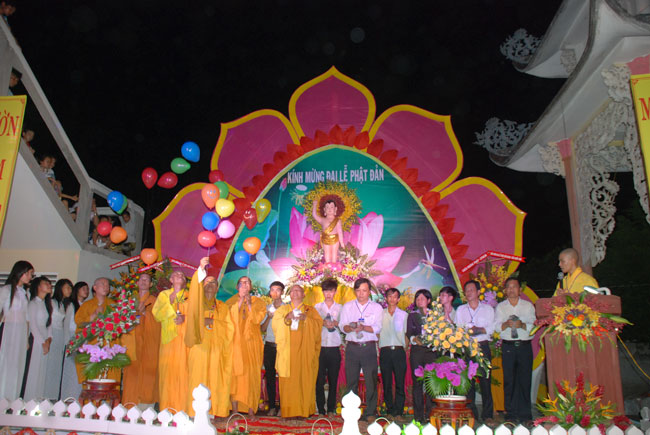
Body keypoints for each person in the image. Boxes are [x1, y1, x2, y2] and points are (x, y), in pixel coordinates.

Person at [185, 257, 234, 417]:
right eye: (208, 281)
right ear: (202, 285)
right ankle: (193, 412)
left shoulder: (222, 306)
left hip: (216, 348)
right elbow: (192, 316)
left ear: (217, 288)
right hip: (199, 346)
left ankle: (212, 411)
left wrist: (213, 322)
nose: (211, 284)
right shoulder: (196, 302)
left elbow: (229, 327)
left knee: (215, 378)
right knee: (197, 377)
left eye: (214, 283)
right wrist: (201, 269)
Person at [272, 284, 322, 418]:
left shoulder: (310, 310)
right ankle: (288, 411)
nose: (295, 292)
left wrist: (306, 319)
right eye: (292, 290)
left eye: (298, 290)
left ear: (303, 294)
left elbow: (318, 326)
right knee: (288, 383)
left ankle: (304, 411)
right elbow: (275, 325)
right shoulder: (282, 310)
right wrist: (286, 318)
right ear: (289, 295)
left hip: (305, 353)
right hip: (288, 353)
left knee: (305, 380)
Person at [339, 277, 383, 422]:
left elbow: (378, 328)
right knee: (351, 380)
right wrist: (350, 327)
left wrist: (364, 327)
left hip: (368, 347)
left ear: (369, 291)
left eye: (364, 291)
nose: (361, 294)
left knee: (371, 380)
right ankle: (351, 411)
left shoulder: (376, 308)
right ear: (354, 292)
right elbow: (342, 326)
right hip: (352, 347)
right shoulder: (348, 306)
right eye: (358, 291)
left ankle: (370, 412)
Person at [494, 277, 535, 424]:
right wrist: (506, 324)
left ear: (520, 290)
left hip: (524, 346)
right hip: (508, 347)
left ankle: (526, 415)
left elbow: (533, 326)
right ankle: (510, 415)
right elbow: (496, 326)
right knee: (509, 381)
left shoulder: (528, 306)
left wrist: (522, 325)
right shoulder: (500, 307)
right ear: (505, 290)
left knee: (525, 381)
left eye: (514, 287)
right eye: (509, 287)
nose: (511, 290)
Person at [225, 276, 266, 416]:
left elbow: (257, 319)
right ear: (237, 287)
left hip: (252, 343)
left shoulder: (258, 302)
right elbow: (228, 319)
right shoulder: (230, 301)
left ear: (251, 286)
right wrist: (240, 300)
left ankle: (251, 410)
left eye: (247, 282)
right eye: (241, 283)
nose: (244, 285)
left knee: (252, 375)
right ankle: (235, 410)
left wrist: (249, 304)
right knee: (236, 375)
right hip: (235, 342)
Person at [455, 280, 495, 422]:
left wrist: (479, 330)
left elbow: (492, 328)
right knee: (468, 382)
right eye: (466, 290)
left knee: (485, 381)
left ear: (478, 292)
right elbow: (458, 329)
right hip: (467, 347)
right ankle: (471, 414)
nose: (469, 292)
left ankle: (488, 415)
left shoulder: (488, 309)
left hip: (482, 346)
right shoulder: (461, 310)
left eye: (472, 290)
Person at [153, 270, 190, 412]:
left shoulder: (189, 295)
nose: (179, 276)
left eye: (182, 275)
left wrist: (184, 318)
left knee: (184, 371)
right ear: (171, 280)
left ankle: (183, 409)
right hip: (168, 338)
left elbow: (196, 314)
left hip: (184, 339)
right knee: (167, 372)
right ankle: (166, 408)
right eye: (176, 275)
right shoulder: (164, 295)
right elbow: (156, 314)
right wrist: (171, 302)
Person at [122, 273, 161, 407]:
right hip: (132, 344)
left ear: (150, 284)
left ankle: (145, 407)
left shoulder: (155, 301)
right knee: (131, 375)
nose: (143, 282)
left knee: (148, 375)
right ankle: (128, 406)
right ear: (137, 283)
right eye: (141, 280)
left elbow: (159, 322)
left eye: (147, 280)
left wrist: (145, 313)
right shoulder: (129, 301)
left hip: (148, 344)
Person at [0, 260, 34, 400]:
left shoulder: (26, 293)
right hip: (8, 330)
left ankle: (12, 399)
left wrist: (26, 339)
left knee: (17, 365)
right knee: (6, 363)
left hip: (20, 332)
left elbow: (27, 317)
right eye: (29, 273)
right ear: (21, 273)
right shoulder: (6, 290)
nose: (30, 277)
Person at [74, 278, 117, 383]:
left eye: (107, 285)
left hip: (108, 345)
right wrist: (93, 315)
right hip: (91, 345)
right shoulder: (87, 305)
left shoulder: (113, 304)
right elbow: (79, 322)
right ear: (95, 288)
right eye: (103, 284)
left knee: (109, 378)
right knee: (91, 379)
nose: (106, 287)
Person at [406, 289, 436, 424]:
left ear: (428, 300)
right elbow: (409, 332)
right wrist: (414, 339)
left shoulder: (435, 314)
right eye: (417, 299)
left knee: (430, 382)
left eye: (422, 299)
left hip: (431, 352)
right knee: (417, 383)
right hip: (417, 351)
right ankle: (418, 415)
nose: (419, 301)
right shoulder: (412, 315)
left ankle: (430, 413)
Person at [314, 278, 342, 417]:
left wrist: (336, 324)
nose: (328, 294)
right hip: (320, 348)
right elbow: (312, 326)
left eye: (331, 290)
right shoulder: (317, 307)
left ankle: (331, 409)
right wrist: (322, 323)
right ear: (322, 292)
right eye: (326, 291)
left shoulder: (340, 308)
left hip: (334, 347)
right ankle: (320, 409)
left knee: (333, 379)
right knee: (319, 380)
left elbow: (345, 326)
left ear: (335, 291)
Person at [378, 287, 408, 418]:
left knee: (400, 383)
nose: (392, 299)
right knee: (387, 382)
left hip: (399, 351)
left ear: (398, 299)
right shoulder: (380, 314)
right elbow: (377, 332)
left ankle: (399, 411)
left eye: (395, 296)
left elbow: (406, 334)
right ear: (386, 298)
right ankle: (390, 410)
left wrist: (405, 348)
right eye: (389, 296)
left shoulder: (404, 315)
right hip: (385, 351)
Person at [24, 276, 53, 401]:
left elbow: (49, 324)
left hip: (44, 338)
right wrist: (42, 342)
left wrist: (49, 340)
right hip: (36, 339)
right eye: (45, 283)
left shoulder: (46, 304)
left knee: (42, 370)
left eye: (49, 283)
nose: (49, 285)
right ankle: (28, 399)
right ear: (38, 287)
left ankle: (38, 400)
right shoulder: (33, 303)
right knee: (33, 369)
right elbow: (33, 325)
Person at [44, 279, 73, 400]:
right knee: (49, 365)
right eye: (67, 287)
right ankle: (45, 395)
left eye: (71, 288)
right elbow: (48, 321)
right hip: (52, 334)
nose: (70, 290)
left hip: (60, 335)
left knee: (56, 367)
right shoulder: (52, 302)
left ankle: (53, 396)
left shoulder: (64, 304)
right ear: (60, 288)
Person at [60, 281, 89, 400]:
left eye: (87, 289)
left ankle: (78, 398)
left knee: (80, 371)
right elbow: (66, 325)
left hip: (83, 340)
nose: (86, 291)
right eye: (83, 289)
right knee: (71, 370)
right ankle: (68, 398)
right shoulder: (71, 305)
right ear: (77, 290)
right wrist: (68, 344)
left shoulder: (86, 306)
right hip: (73, 339)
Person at [259, 281, 285, 416]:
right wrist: (268, 318)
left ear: (282, 292)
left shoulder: (287, 309)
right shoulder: (267, 308)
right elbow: (262, 329)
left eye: (278, 290)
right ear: (270, 293)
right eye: (272, 290)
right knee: (270, 376)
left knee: (283, 377)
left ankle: (283, 406)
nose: (275, 293)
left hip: (283, 346)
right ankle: (272, 407)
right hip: (269, 345)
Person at [312, 197, 344, 264]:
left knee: (334, 252)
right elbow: (314, 215)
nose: (329, 209)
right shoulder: (322, 220)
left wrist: (342, 242)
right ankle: (328, 265)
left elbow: (340, 232)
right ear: (324, 209)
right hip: (325, 239)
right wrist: (314, 205)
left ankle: (334, 265)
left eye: (331, 207)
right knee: (327, 252)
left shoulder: (337, 221)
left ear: (335, 209)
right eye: (327, 207)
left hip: (335, 239)